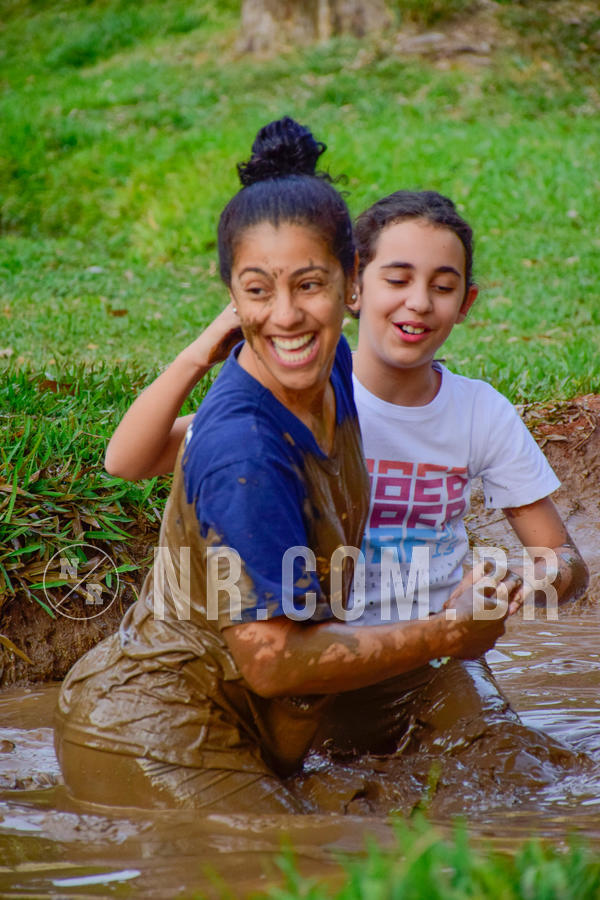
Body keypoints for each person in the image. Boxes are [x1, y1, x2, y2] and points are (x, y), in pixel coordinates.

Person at [56, 120, 512, 814]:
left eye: (308, 284)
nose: (289, 317)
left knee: (485, 788)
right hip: (151, 729)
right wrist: (450, 633)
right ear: (232, 298)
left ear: (349, 282)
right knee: (300, 870)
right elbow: (271, 662)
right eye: (259, 291)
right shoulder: (246, 452)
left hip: (264, 719)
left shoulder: (327, 365)